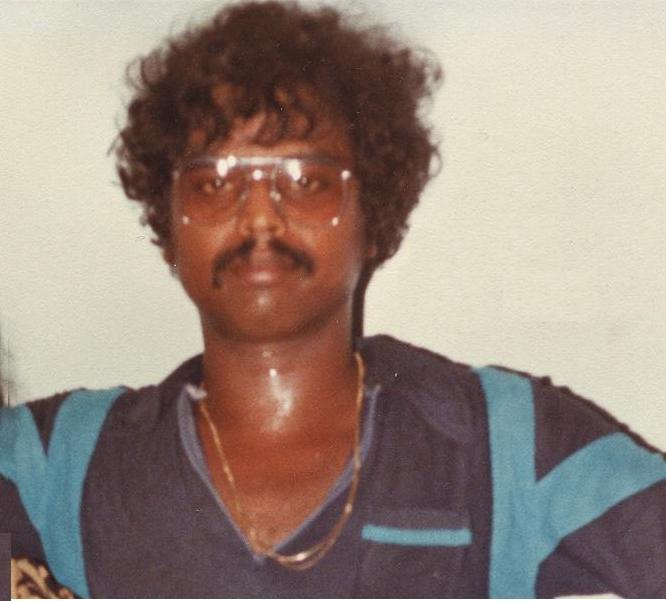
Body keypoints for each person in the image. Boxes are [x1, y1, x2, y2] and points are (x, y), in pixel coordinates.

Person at [1, 1, 664, 598]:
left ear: (374, 216)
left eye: (307, 181)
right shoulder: (62, 460)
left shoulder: (502, 443)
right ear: (169, 224)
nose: (260, 216)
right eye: (215, 184)